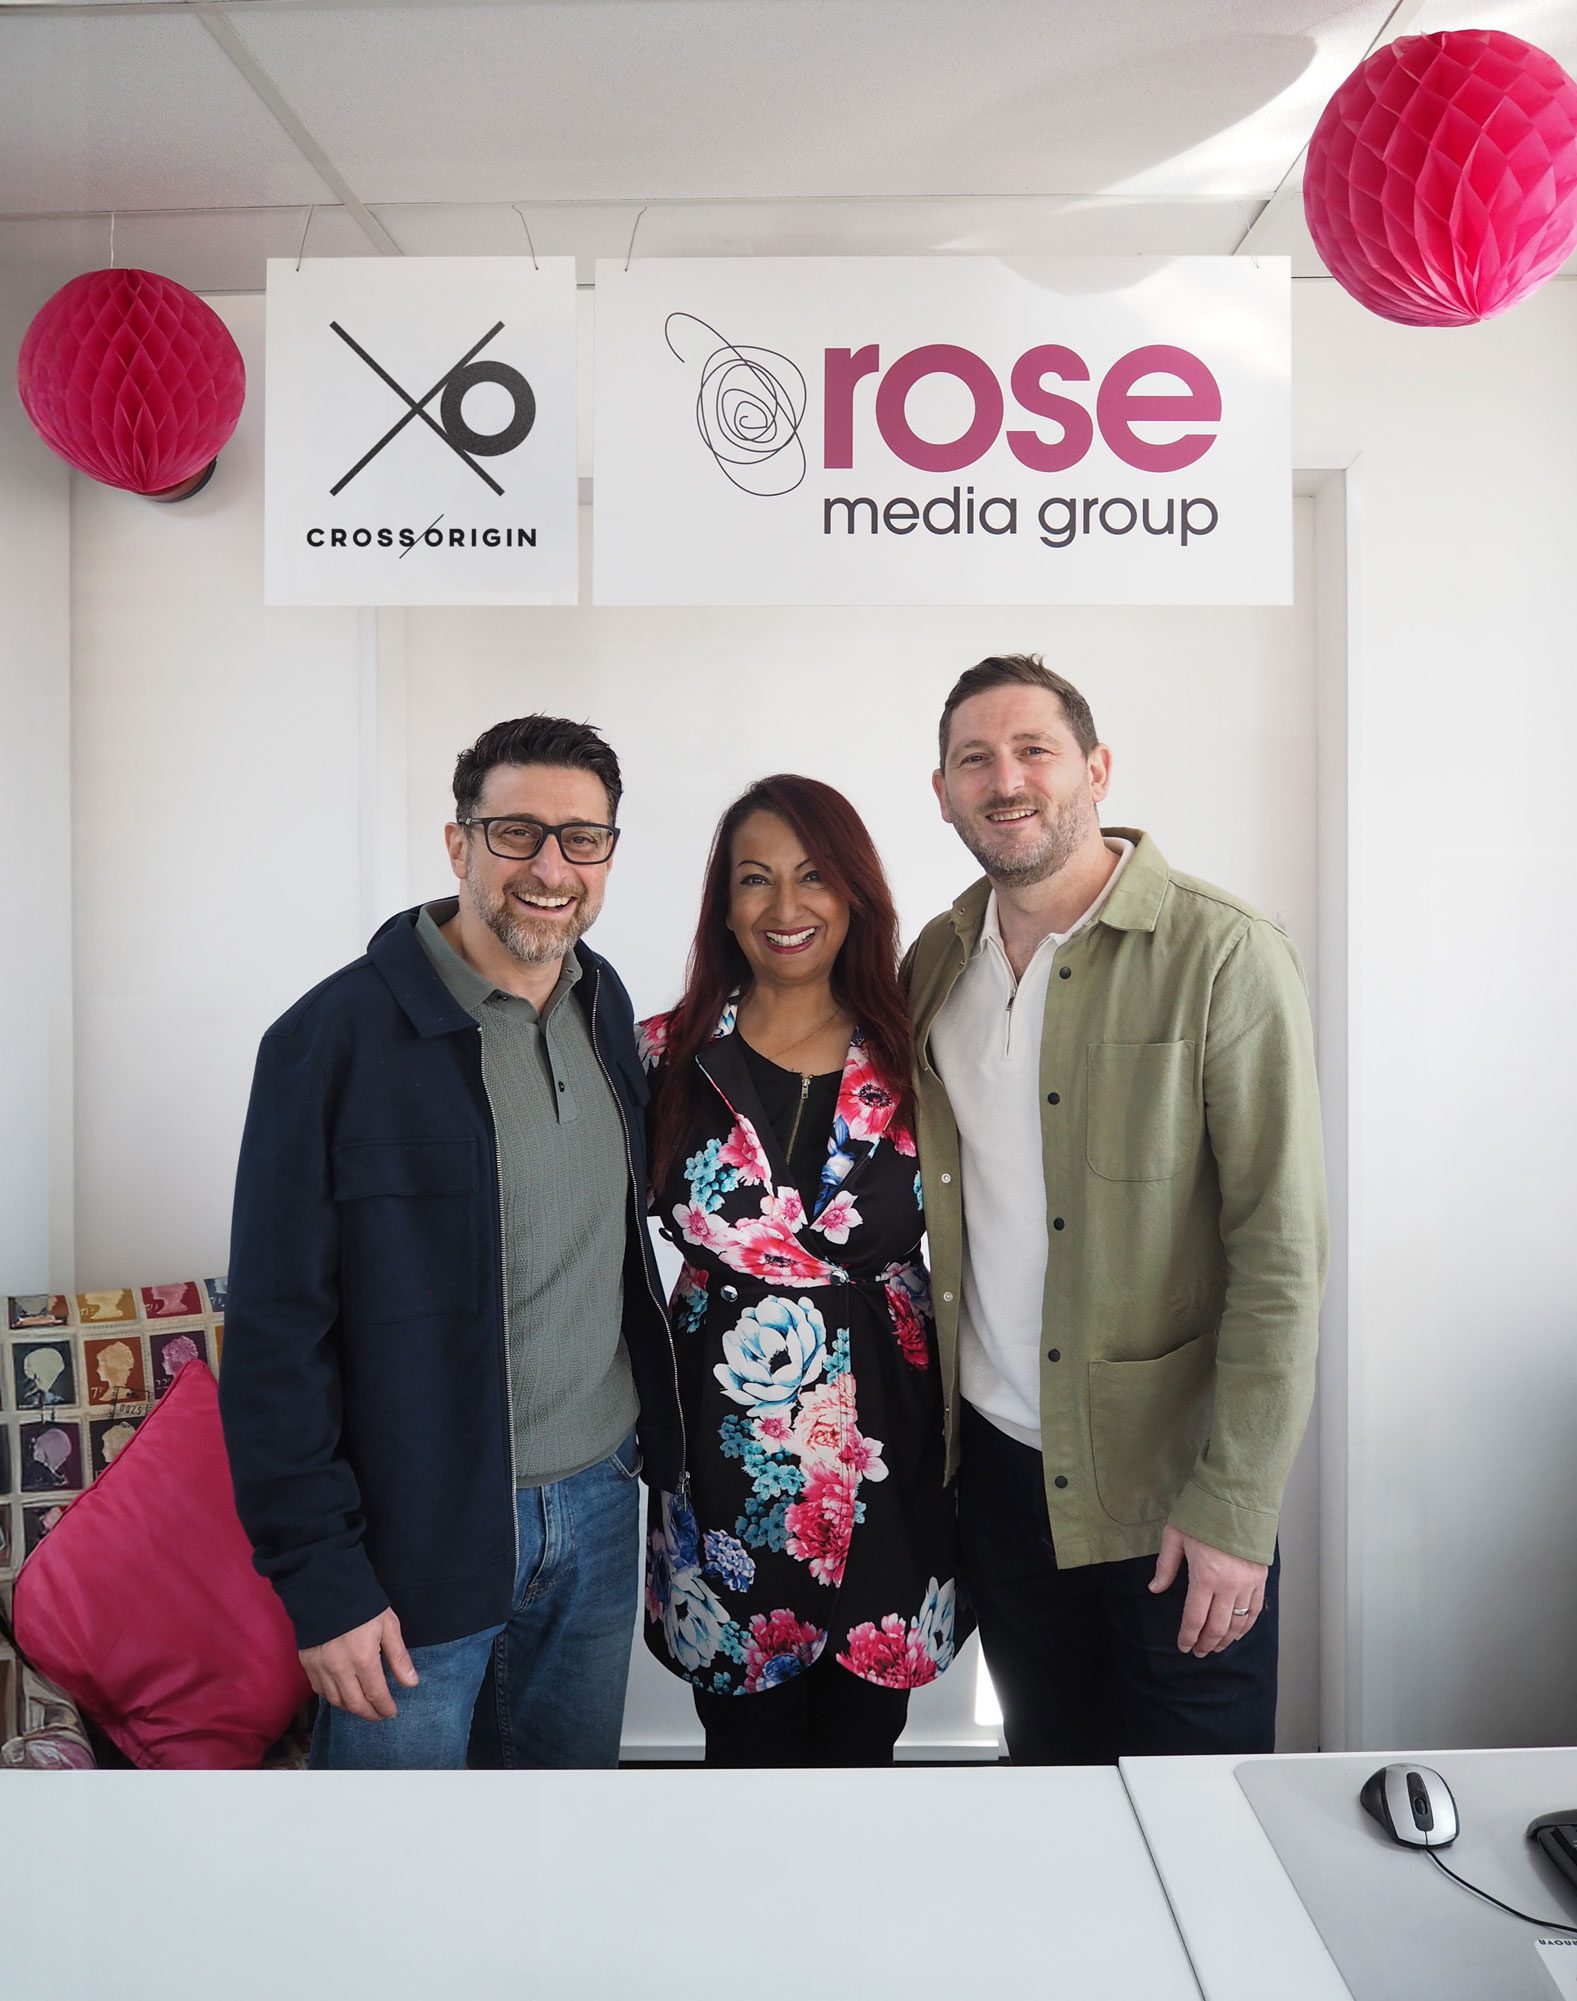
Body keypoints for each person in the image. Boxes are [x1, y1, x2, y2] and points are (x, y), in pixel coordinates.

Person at [221, 714, 682, 1771]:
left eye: (582, 838)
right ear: (457, 843)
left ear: (608, 853)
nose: (550, 868)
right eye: (516, 832)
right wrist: (321, 1580)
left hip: (600, 1504)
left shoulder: (602, 1004)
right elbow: (276, 1338)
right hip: (415, 1530)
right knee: (390, 1852)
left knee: (563, 1830)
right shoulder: (329, 1040)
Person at [907, 654, 1327, 1763]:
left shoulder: (1222, 951)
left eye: (1033, 750)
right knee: (1053, 1789)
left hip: (1169, 1490)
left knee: (1198, 1808)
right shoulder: (935, 961)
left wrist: (1236, 1507)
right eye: (973, 760)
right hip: (1000, 1476)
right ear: (942, 792)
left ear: (1094, 769)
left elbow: (1280, 1253)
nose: (1005, 780)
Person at [640, 775, 959, 1768]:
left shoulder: (922, 1054)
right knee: (744, 1756)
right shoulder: (659, 1060)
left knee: (864, 1750)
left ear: (854, 891)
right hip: (722, 1467)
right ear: (723, 904)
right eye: (755, 878)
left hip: (889, 1454)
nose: (784, 906)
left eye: (813, 875)